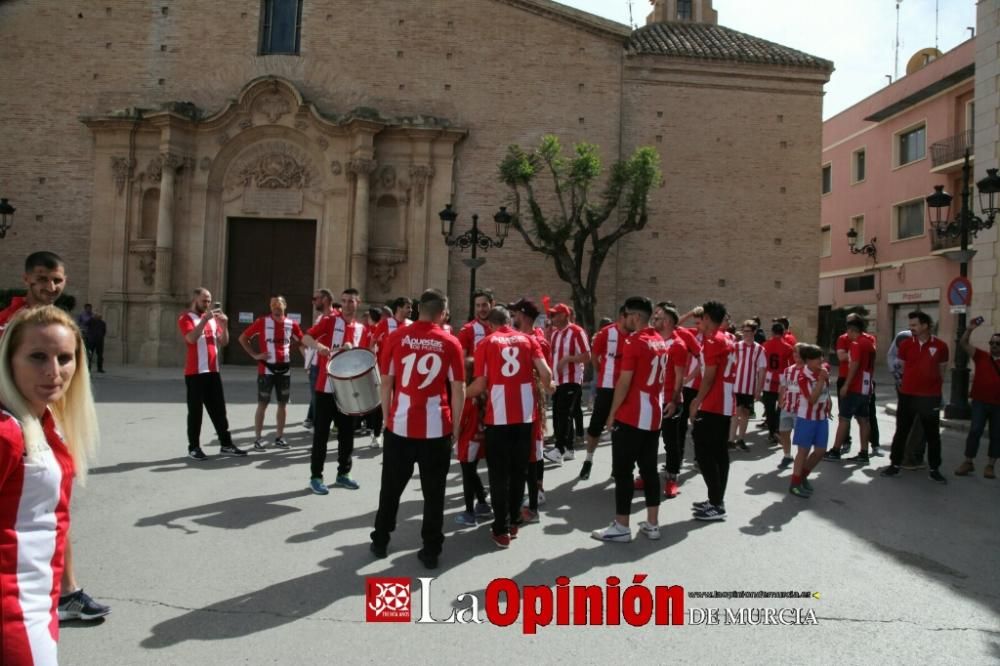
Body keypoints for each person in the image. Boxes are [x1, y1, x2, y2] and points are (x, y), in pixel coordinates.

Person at [0, 252, 111, 625]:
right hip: (20, 429)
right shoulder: (8, 324)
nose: (51, 287)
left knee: (54, 510)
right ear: (27, 279)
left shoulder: (61, 323)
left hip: (52, 424)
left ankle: (66, 592)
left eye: (57, 280)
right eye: (43, 279)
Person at [370, 289, 465, 569]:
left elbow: (385, 383)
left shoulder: (396, 337)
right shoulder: (450, 341)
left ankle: (380, 539)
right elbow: (458, 389)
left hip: (400, 425)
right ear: (443, 313)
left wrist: (386, 417)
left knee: (390, 488)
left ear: (418, 310)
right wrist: (457, 427)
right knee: (434, 494)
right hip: (437, 428)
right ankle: (431, 549)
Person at [469, 306, 553, 547]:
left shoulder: (487, 343)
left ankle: (501, 528)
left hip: (499, 419)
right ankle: (514, 520)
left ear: (491, 324)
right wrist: (550, 386)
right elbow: (545, 373)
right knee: (519, 472)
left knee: (498, 475)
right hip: (525, 417)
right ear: (510, 321)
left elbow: (480, 384)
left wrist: (460, 395)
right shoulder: (528, 340)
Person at [592, 297, 668, 543]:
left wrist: (612, 413)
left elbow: (624, 381)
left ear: (635, 316)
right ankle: (653, 523)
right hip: (653, 413)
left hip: (633, 413)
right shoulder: (660, 341)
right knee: (649, 470)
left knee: (623, 471)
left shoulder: (635, 342)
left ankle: (622, 525)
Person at [301, 288, 370, 493]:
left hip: (348, 391)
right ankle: (316, 476)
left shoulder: (362, 330)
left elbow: (364, 358)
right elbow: (305, 338)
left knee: (347, 434)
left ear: (358, 303)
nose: (348, 304)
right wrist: (319, 346)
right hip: (326, 387)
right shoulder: (330, 321)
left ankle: (343, 474)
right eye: (345, 300)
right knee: (321, 435)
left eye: (352, 301)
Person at [880, 311, 949, 483]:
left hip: (930, 397)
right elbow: (901, 367)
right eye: (910, 326)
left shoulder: (940, 346)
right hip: (908, 396)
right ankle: (895, 465)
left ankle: (934, 469)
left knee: (933, 435)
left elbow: (943, 370)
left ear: (925, 325)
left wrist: (934, 388)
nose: (911, 329)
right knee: (901, 431)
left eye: (914, 325)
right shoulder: (906, 345)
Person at [179, 289, 245, 459]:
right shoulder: (186, 318)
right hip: (195, 372)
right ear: (195, 299)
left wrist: (224, 325)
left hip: (213, 371)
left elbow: (224, 341)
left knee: (219, 411)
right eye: (204, 301)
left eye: (209, 301)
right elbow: (191, 339)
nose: (207, 304)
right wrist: (204, 321)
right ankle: (193, 447)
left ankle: (226, 444)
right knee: (195, 412)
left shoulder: (213, 320)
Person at [688, 300, 736, 521]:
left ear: (707, 318)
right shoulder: (726, 338)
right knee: (718, 454)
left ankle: (716, 503)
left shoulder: (714, 340)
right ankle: (716, 500)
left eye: (702, 319)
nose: (700, 323)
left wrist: (697, 400)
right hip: (724, 401)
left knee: (705, 452)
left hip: (715, 402)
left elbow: (709, 377)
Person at [239, 295, 304, 450]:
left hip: (285, 369)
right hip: (266, 369)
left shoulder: (291, 324)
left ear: (285, 305)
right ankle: (258, 438)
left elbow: (302, 341)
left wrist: (308, 362)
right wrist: (255, 355)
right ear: (270, 307)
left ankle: (279, 437)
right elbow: (243, 338)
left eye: (279, 303)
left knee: (283, 404)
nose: (276, 306)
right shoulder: (262, 322)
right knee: (263, 404)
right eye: (273, 304)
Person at [508, 298, 551, 518]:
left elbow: (544, 375)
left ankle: (537, 493)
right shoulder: (523, 338)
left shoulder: (536, 340)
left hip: (531, 398)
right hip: (520, 397)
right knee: (527, 448)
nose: (512, 318)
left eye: (515, 314)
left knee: (533, 447)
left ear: (523, 316)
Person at [581, 306, 627, 480]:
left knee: (620, 429)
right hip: (606, 386)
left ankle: (617, 467)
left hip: (625, 388)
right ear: (623, 316)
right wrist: (601, 373)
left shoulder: (636, 335)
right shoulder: (606, 333)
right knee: (596, 426)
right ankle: (588, 460)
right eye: (630, 317)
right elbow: (594, 357)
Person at [543, 303, 590, 464]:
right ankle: (568, 449)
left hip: (571, 379)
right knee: (558, 415)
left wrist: (568, 359)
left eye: (555, 315)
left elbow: (586, 356)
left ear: (564, 315)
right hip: (558, 380)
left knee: (563, 415)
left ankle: (559, 449)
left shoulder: (577, 332)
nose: (552, 318)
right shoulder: (556, 334)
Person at [825, 315, 876, 462]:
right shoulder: (870, 343)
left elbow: (854, 364)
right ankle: (864, 453)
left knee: (844, 419)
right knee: (864, 420)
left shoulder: (856, 344)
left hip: (855, 386)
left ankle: (835, 451)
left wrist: (846, 384)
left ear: (852, 330)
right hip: (866, 387)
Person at [954, 320, 1000, 479]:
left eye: (997, 343)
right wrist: (969, 330)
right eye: (992, 343)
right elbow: (963, 343)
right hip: (980, 402)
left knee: (997, 435)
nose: (994, 345)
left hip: (998, 405)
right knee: (975, 431)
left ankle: (990, 465)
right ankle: (968, 462)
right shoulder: (981, 356)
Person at [655, 303, 691, 499]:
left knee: (671, 442)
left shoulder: (677, 345)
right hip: (653, 399)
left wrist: (674, 400)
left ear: (668, 322)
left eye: (658, 318)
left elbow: (679, 376)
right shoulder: (654, 340)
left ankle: (671, 478)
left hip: (670, 400)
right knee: (649, 441)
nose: (654, 321)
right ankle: (647, 475)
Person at [788, 344, 832, 497]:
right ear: (808, 361)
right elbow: (812, 399)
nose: (821, 360)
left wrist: (829, 403)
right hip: (806, 418)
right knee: (803, 451)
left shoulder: (824, 368)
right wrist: (821, 380)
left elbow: (827, 390)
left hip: (821, 417)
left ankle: (802, 477)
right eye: (817, 358)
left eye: (821, 356)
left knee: (820, 451)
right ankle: (795, 483)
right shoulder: (802, 377)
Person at [729, 319, 766, 451]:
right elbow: (729, 366)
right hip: (735, 385)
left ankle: (741, 439)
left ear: (754, 332)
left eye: (748, 331)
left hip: (749, 386)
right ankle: (731, 440)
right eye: (743, 331)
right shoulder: (736, 346)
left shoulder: (759, 349)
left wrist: (759, 389)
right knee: (735, 412)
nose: (745, 334)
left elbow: (762, 369)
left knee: (745, 413)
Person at [761, 323, 794, 444]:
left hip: (768, 380)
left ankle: (771, 432)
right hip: (782, 381)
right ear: (783, 332)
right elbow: (791, 365)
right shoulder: (788, 347)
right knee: (780, 407)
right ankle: (778, 430)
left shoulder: (765, 345)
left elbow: (762, 364)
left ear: (772, 332)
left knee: (769, 408)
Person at [776, 344, 804, 470]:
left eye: (798, 353)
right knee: (784, 431)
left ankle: (801, 458)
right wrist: (780, 401)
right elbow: (783, 386)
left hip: (801, 409)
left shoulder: (808, 370)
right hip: (787, 407)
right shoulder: (788, 370)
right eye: (794, 353)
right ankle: (787, 455)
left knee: (800, 436)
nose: (796, 355)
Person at [457, 288, 494, 359]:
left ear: (492, 304)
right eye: (478, 305)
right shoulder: (467, 329)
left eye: (484, 305)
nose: (481, 309)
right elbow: (461, 360)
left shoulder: (499, 327)